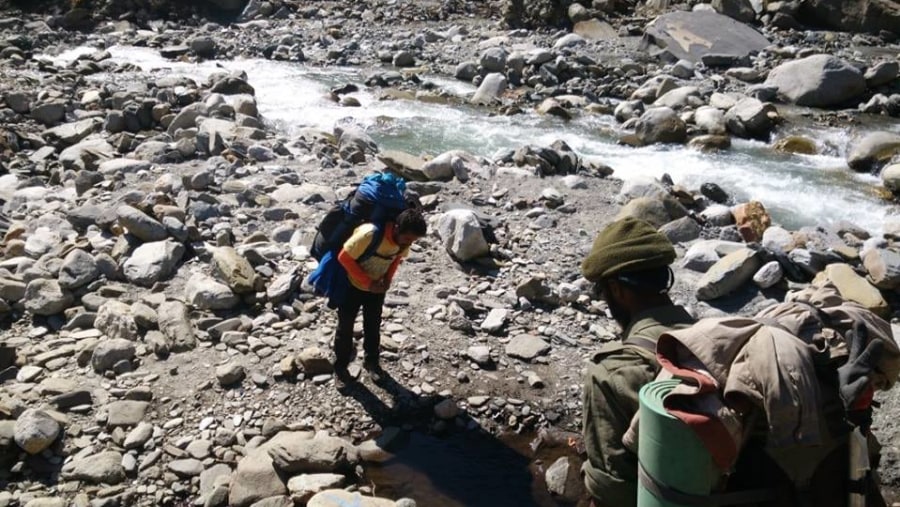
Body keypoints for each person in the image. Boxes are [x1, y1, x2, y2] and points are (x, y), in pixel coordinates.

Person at [579, 217, 695, 507]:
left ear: (617, 290)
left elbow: (612, 491)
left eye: (602, 292)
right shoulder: (711, 340)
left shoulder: (610, 372)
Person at [333, 207, 427, 388]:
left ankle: (372, 363)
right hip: (351, 287)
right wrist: (367, 283)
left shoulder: (403, 242)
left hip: (376, 289)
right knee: (345, 327)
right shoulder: (369, 234)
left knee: (373, 325)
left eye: (414, 241)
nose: (409, 244)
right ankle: (340, 368)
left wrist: (387, 281)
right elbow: (344, 257)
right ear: (397, 228)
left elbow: (396, 259)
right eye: (408, 239)